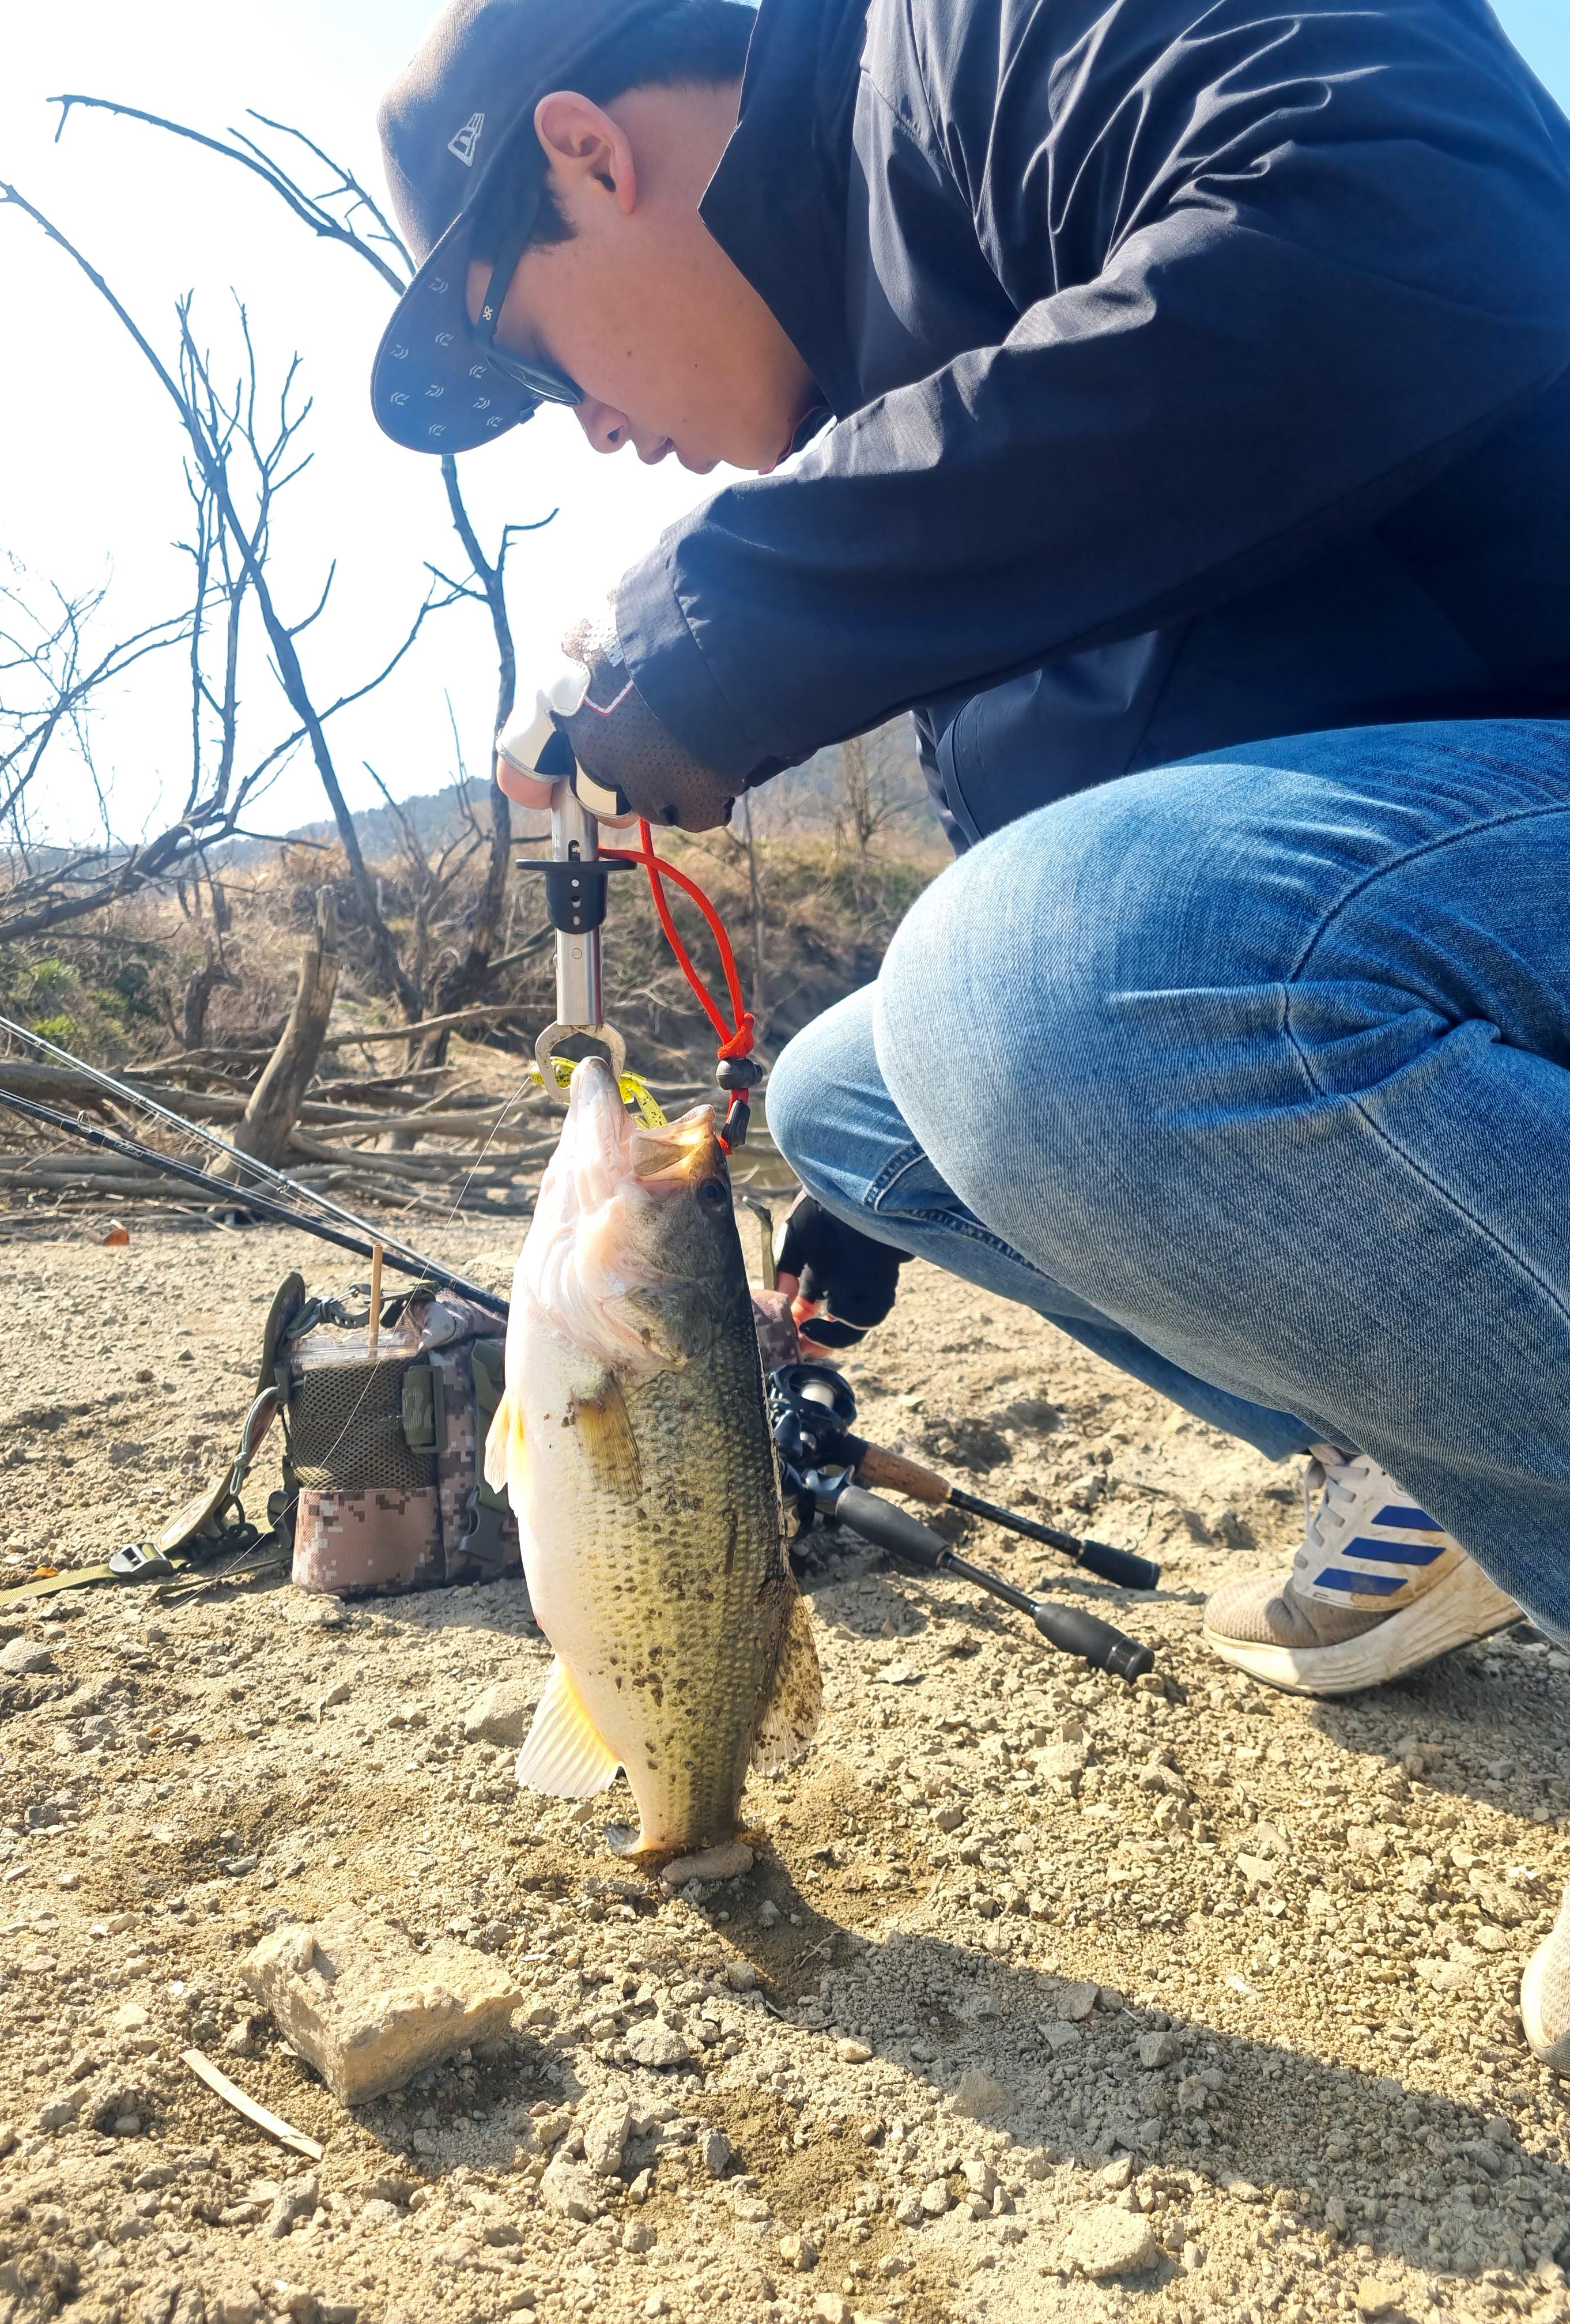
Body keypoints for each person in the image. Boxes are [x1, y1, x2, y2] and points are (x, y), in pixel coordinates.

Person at [369, 0, 1570, 2063]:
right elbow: (1075, 832)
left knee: (1043, 985)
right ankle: (1476, 1456)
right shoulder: (905, 372)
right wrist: (855, 1227)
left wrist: (728, 618)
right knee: (864, 1098)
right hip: (1437, 881)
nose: (595, 437)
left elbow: (1422, 220)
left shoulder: (1002, 40)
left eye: (539, 357)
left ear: (584, 154)